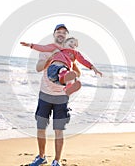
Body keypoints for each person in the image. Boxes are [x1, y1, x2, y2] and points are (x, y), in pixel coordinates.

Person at [27, 24, 77, 166]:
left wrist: (72, 71)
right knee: (41, 127)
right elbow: (38, 68)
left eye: (64, 32)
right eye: (58, 32)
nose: (61, 34)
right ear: (54, 34)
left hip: (61, 97)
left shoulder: (70, 52)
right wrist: (50, 59)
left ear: (66, 36)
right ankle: (41, 157)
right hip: (45, 95)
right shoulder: (45, 50)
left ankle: (57, 161)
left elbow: (77, 71)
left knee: (58, 130)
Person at [20, 37, 102, 95]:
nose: (73, 45)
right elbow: (43, 48)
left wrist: (93, 67)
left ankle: (68, 88)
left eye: (75, 45)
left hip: (59, 81)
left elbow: (83, 60)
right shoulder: (56, 48)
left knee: (72, 76)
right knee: (63, 70)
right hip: (53, 71)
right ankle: (66, 80)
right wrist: (31, 45)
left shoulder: (75, 54)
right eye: (71, 42)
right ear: (64, 43)